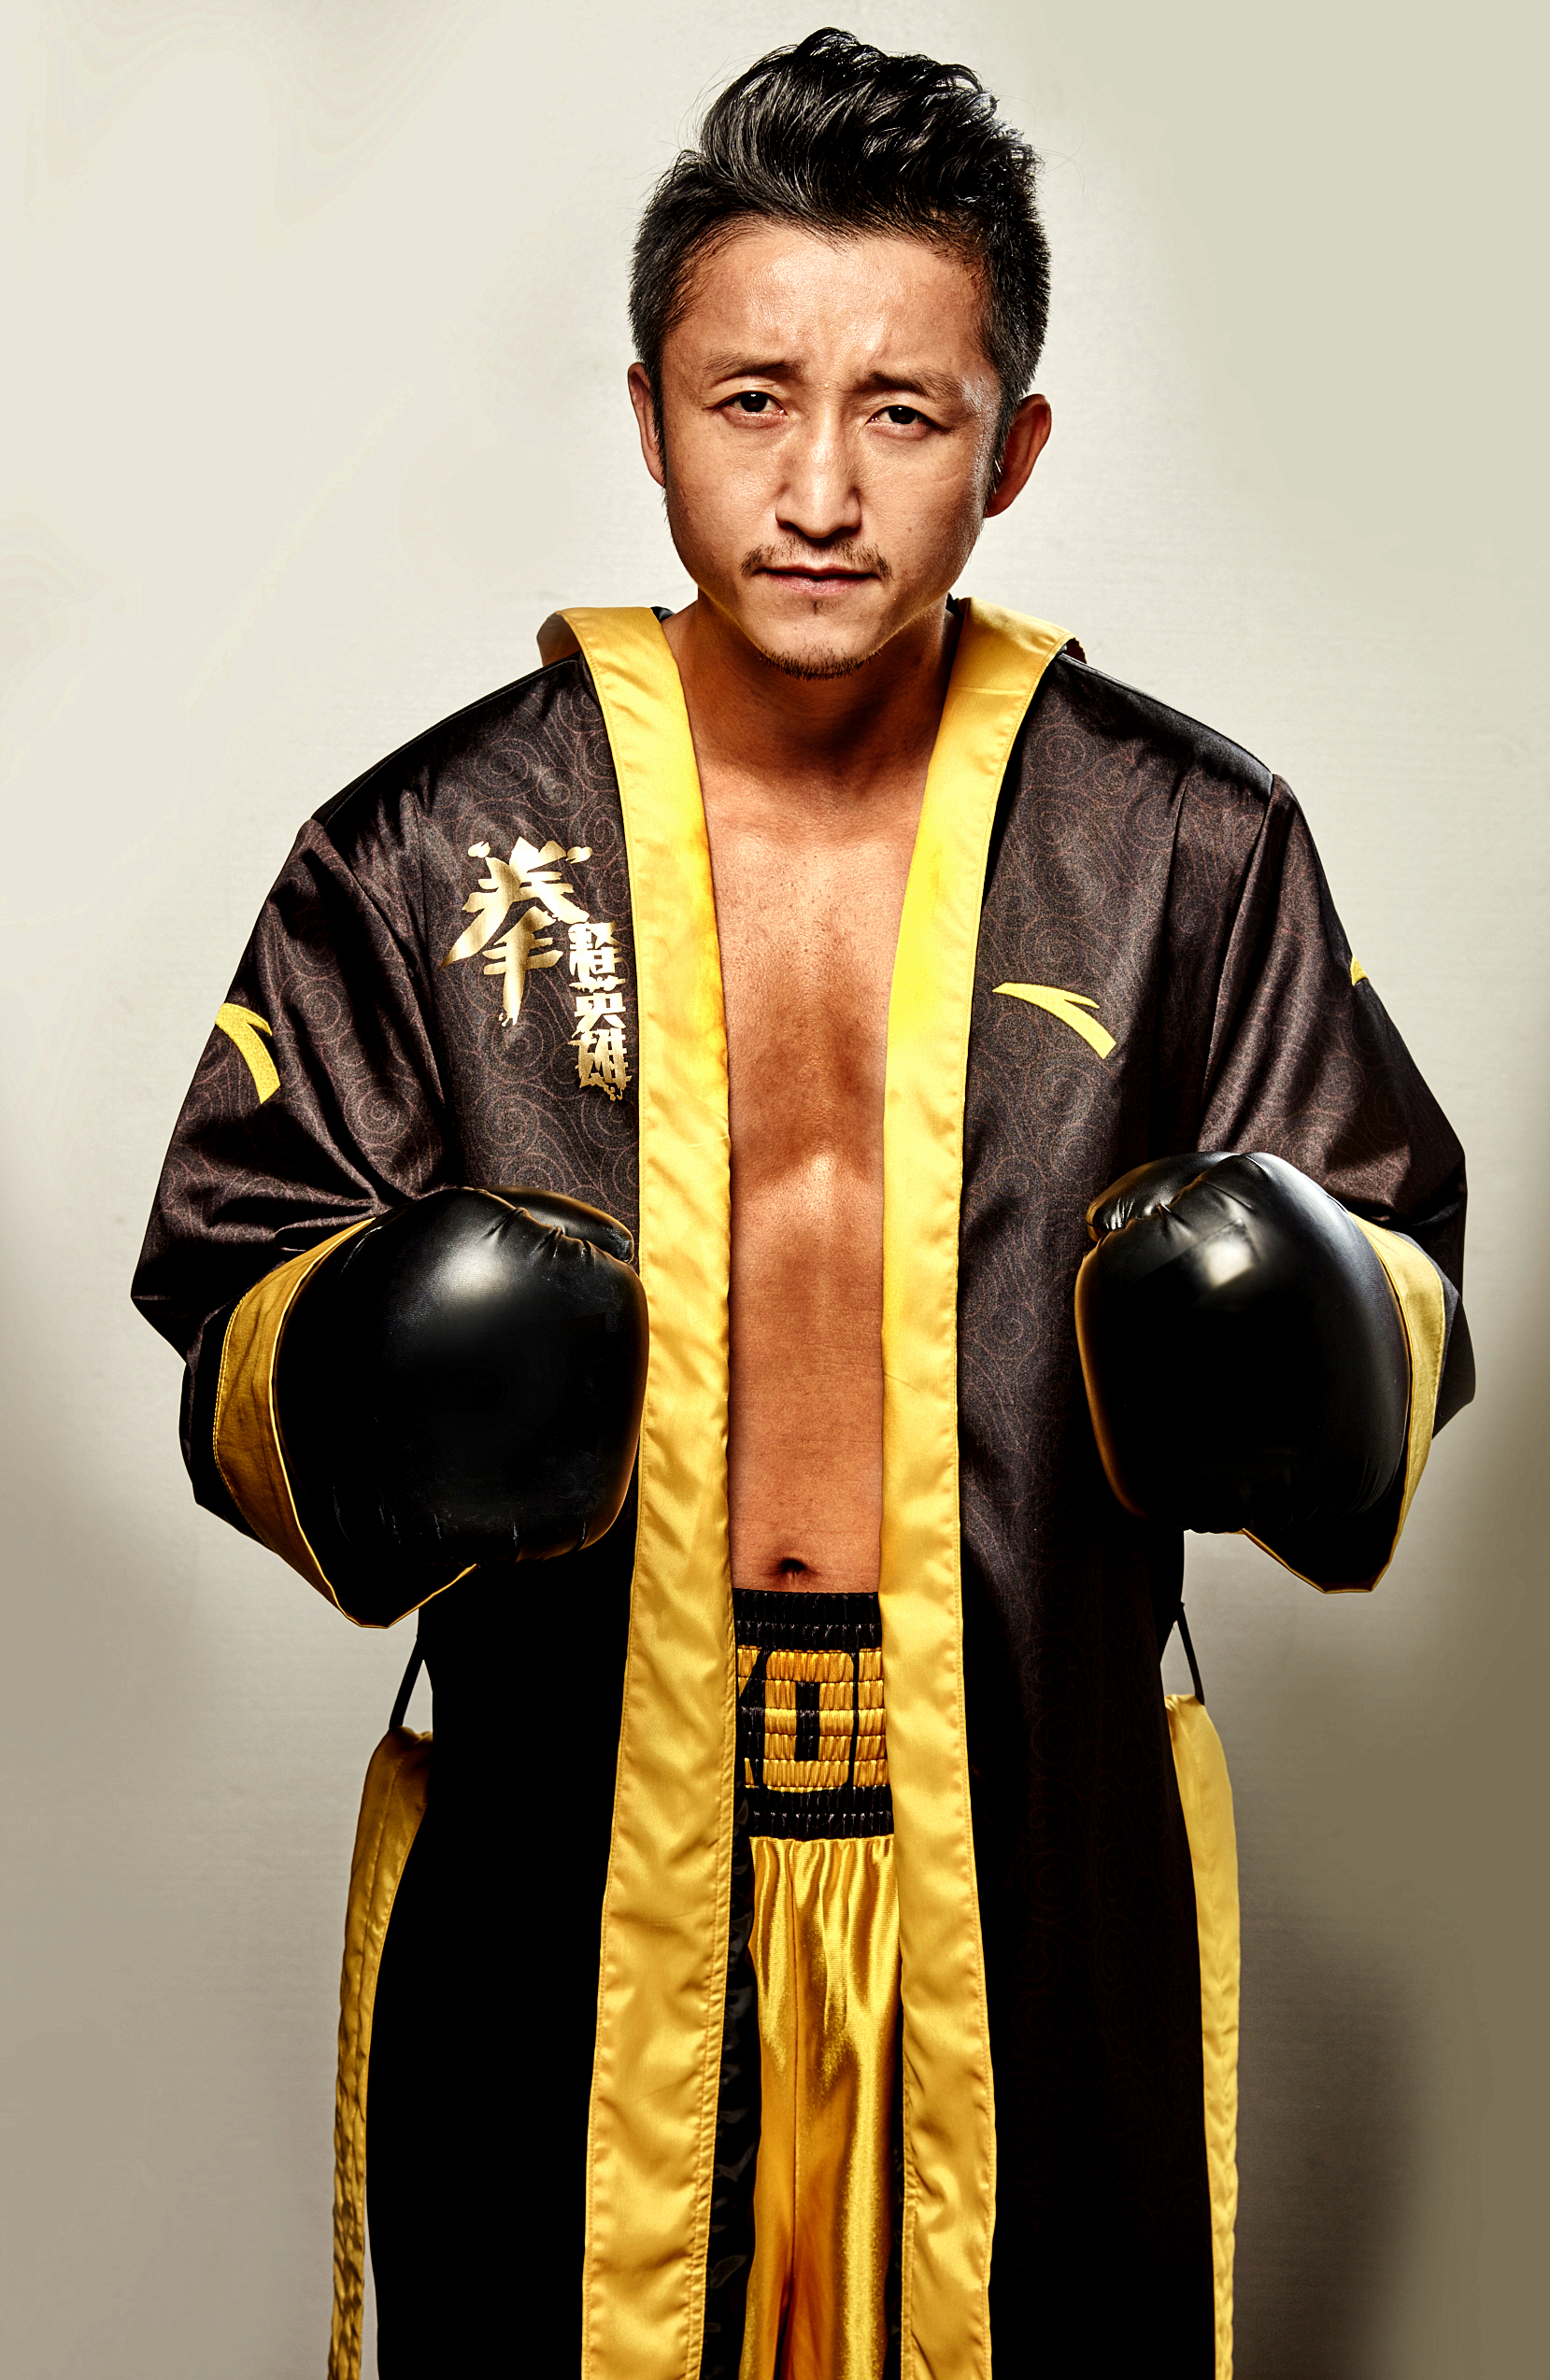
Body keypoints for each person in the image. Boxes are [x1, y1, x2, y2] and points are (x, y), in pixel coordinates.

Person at [131, 28, 1472, 2380]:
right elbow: (232, 1297)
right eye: (749, 401)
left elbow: (1384, 1283)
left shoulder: (1179, 843)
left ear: (1011, 447)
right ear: (647, 418)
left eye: (903, 412)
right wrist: (365, 1358)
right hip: (581, 1850)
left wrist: (1315, 1321)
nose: (821, 488)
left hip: (1015, 1836)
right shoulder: (433, 845)